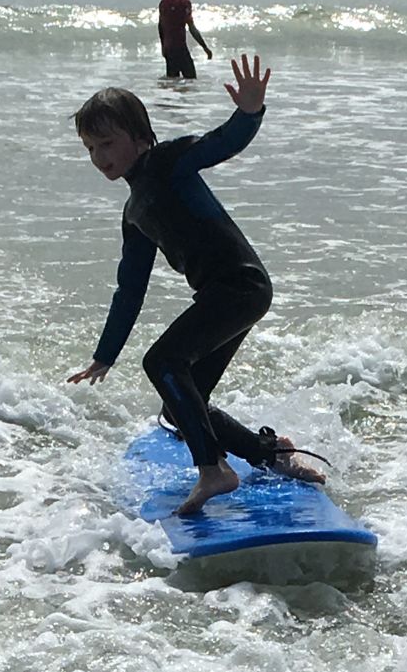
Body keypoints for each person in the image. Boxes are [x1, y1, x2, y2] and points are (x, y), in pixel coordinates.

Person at [67, 54, 326, 514]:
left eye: (107, 143)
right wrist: (104, 355)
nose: (99, 157)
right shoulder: (134, 212)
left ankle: (214, 472)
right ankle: (272, 454)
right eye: (90, 149)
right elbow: (130, 288)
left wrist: (249, 113)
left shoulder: (167, 162)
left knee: (163, 361)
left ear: (141, 137)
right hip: (225, 294)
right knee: (179, 407)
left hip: (240, 286)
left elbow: (220, 143)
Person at [157, 0, 212, 79]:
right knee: (191, 79)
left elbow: (161, 26)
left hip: (168, 48)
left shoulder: (164, 3)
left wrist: (163, 46)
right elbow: (192, 28)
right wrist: (205, 47)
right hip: (180, 48)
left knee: (173, 82)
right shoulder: (185, 3)